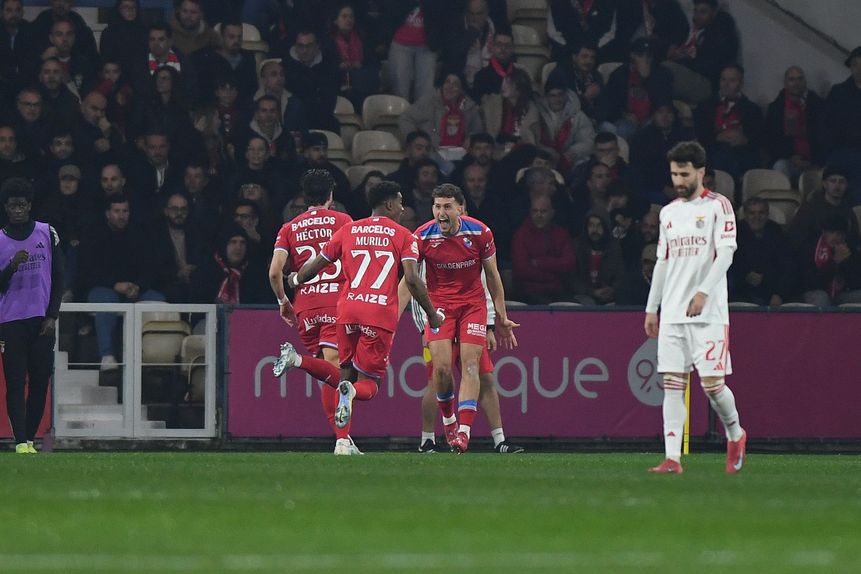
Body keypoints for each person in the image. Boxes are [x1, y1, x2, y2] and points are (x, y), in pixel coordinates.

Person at [282, 181, 442, 448]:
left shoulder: (348, 229)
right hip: (378, 313)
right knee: (368, 385)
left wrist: (296, 278)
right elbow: (413, 280)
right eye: (400, 202)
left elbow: (318, 265)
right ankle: (344, 387)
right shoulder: (404, 235)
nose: (403, 209)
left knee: (343, 373)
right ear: (389, 204)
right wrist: (432, 314)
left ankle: (342, 441)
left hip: (346, 310)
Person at [644, 140, 746, 475]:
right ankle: (672, 458)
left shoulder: (719, 206)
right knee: (672, 384)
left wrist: (703, 291)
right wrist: (651, 308)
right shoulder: (668, 212)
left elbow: (727, 254)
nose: (679, 180)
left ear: (701, 172)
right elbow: (662, 262)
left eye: (684, 173)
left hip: (709, 313)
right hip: (672, 312)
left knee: (712, 386)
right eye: (674, 173)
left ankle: (735, 433)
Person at [412, 184, 518, 453]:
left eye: (447, 206)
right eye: (437, 206)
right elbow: (410, 283)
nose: (441, 212)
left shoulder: (480, 233)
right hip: (438, 308)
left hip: (472, 306)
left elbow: (492, 277)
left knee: (474, 368)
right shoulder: (422, 237)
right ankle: (444, 426)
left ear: (460, 209)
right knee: (441, 372)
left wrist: (500, 318)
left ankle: (465, 433)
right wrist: (407, 319)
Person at [268, 169, 356, 455]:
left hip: (305, 308)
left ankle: (342, 438)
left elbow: (274, 272)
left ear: (305, 197)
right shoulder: (344, 222)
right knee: (337, 370)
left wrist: (283, 300)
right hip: (336, 303)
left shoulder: (289, 227)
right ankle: (341, 439)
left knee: (327, 372)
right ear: (331, 195)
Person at [0, 178, 63, 453]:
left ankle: (31, 439)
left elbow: (59, 277)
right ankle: (21, 441)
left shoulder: (46, 233)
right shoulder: (0, 240)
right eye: (13, 205)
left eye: (22, 204)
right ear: (6, 207)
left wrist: (52, 316)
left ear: (29, 205)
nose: (18, 210)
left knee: (40, 381)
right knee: (15, 382)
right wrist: (11, 266)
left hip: (41, 321)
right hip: (10, 322)